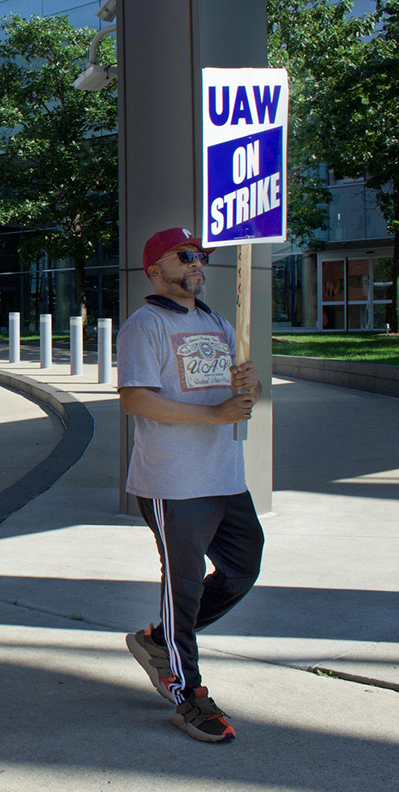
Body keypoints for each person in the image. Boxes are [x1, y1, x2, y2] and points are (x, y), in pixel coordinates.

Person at [118, 226, 263, 744]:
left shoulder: (216, 320)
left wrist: (249, 385)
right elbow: (135, 398)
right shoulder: (146, 324)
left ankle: (161, 640)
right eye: (186, 256)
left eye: (201, 256)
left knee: (244, 568)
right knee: (182, 588)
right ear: (156, 269)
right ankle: (187, 694)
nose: (197, 263)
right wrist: (214, 414)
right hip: (173, 483)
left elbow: (234, 387)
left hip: (225, 476)